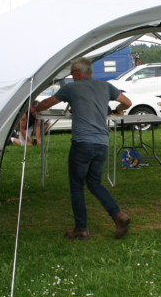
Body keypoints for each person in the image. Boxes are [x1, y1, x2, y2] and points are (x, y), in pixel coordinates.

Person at [34, 57, 133, 240]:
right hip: (102, 143)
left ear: (78, 72)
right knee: (95, 183)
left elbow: (46, 104)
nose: (72, 76)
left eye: (72, 73)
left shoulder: (71, 88)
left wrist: (36, 108)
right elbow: (127, 102)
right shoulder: (106, 86)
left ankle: (81, 229)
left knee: (77, 186)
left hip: (82, 144)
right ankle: (118, 215)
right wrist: (118, 109)